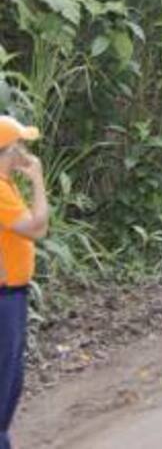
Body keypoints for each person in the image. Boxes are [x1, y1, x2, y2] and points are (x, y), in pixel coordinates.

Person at [0, 116, 48, 449]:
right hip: (5, 299)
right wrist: (38, 180)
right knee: (4, 385)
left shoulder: (6, 186)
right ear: (6, 150)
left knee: (10, 382)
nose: (25, 151)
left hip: (12, 296)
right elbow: (37, 228)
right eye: (20, 144)